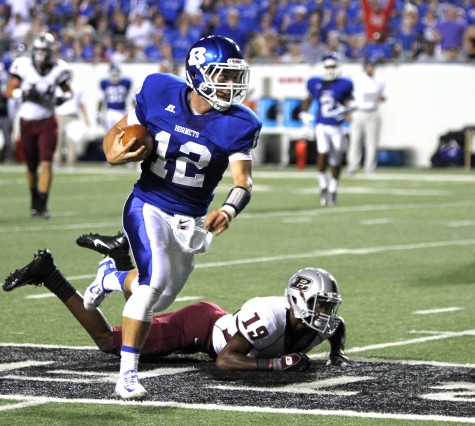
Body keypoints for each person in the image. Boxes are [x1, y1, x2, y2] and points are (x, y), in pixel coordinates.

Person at [91, 35, 261, 400]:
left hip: (190, 219)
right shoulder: (158, 90)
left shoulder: (239, 123)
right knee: (153, 284)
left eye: (234, 77)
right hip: (147, 202)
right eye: (222, 76)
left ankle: (110, 277)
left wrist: (229, 208)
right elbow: (116, 137)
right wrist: (115, 153)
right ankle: (127, 375)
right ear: (198, 74)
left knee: (163, 297)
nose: (230, 85)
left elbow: (243, 183)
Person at [2, 247, 353, 382]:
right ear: (297, 298)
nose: (326, 313)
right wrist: (275, 365)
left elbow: (337, 329)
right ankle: (51, 274)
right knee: (110, 342)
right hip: (197, 328)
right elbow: (226, 362)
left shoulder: (318, 324)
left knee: (144, 304)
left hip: (213, 325)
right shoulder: (271, 315)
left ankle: (121, 262)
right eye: (321, 304)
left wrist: (337, 353)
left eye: (327, 305)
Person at [4, 32, 72, 218]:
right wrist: (24, 94)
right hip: (26, 122)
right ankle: (34, 196)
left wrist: (61, 98)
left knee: (46, 162)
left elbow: (68, 92)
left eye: (44, 50)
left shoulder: (59, 68)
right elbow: (9, 91)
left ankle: (42, 205)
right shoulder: (23, 65)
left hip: (47, 122)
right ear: (33, 50)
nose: (41, 53)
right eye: (39, 49)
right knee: (31, 166)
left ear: (50, 51)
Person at [299, 52, 353, 207]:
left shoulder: (344, 84)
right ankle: (323, 186)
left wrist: (346, 112)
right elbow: (308, 98)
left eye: (333, 66)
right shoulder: (316, 82)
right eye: (328, 66)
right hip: (321, 125)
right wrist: (303, 112)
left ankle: (333, 189)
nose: (330, 69)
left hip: (336, 127)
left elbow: (349, 102)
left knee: (336, 159)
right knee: (322, 153)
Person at [347, 57, 387, 176]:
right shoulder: (356, 78)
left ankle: (369, 168)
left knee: (372, 142)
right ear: (365, 66)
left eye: (373, 65)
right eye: (369, 65)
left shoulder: (380, 79)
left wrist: (381, 97)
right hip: (358, 111)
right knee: (355, 141)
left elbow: (384, 97)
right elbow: (348, 95)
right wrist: (348, 111)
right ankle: (352, 166)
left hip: (373, 112)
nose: (371, 68)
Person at [53, 72, 91, 170]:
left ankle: (71, 163)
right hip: (59, 115)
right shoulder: (57, 87)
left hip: (73, 116)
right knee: (58, 140)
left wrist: (86, 117)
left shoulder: (78, 87)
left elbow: (82, 103)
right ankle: (57, 162)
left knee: (72, 141)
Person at [96, 62, 133, 132]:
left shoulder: (126, 83)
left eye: (116, 74)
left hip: (123, 112)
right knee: (110, 134)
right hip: (110, 112)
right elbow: (101, 100)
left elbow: (132, 99)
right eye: (113, 74)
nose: (114, 76)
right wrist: (98, 114)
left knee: (123, 134)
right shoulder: (105, 83)